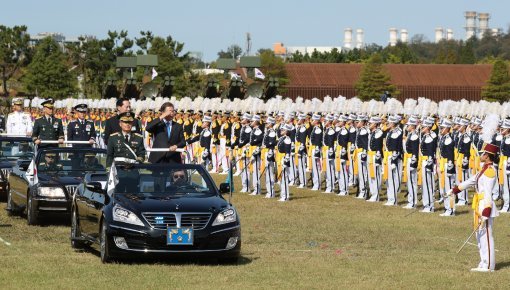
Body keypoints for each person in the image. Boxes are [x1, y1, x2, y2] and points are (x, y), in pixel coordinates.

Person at [448, 143, 500, 272]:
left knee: (486, 236)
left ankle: (489, 265)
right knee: (480, 235)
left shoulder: (489, 171)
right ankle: (483, 262)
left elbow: (488, 192)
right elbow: (471, 181)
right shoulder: (484, 169)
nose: (481, 155)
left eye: (483, 153)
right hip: (479, 204)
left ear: (488, 156)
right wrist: (455, 190)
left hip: (484, 205)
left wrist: (486, 211)